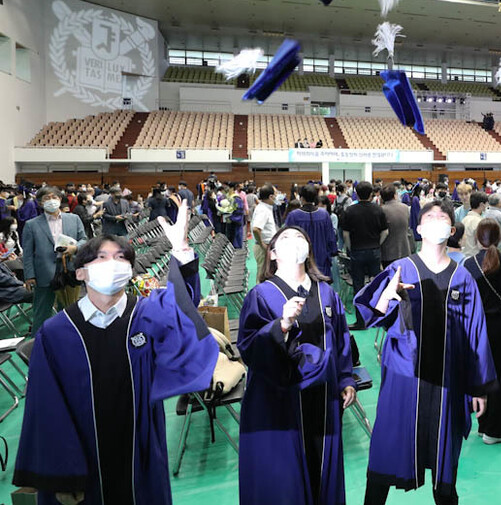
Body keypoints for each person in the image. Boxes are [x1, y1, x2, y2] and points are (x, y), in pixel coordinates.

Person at [13, 200, 218, 505]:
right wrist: (62, 474)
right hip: (81, 460)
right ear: (80, 273)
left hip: (139, 450)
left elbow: (184, 318)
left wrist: (182, 252)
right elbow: (45, 410)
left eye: (121, 257)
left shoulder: (148, 315)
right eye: (101, 257)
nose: (113, 263)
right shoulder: (56, 333)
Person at [354, 201, 495, 505]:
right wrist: (386, 300)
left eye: (443, 218)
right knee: (388, 448)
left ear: (452, 230)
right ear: (418, 228)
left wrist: (479, 387)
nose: (436, 222)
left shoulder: (462, 276)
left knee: (444, 458)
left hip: (448, 379)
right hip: (404, 378)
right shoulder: (399, 269)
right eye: (429, 218)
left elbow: (477, 334)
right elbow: (368, 314)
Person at [237, 225, 356, 505]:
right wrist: (281, 325)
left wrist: (346, 378)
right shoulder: (261, 295)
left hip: (323, 400)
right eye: (286, 238)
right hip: (279, 403)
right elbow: (248, 348)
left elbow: (340, 339)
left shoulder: (327, 292)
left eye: (300, 237)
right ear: (273, 252)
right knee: (285, 484)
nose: (295, 241)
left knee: (322, 472)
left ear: (308, 249)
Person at [463, 218, 501, 445]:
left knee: (482, 374)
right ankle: (497, 430)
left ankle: (482, 424)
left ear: (477, 238)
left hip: (476, 327)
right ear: (499, 238)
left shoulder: (468, 264)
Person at [22, 186, 87, 331]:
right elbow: (27, 253)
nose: (51, 201)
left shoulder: (74, 219)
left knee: (70, 310)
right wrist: (29, 275)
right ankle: (37, 344)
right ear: (39, 203)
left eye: (54, 197)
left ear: (60, 199)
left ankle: (68, 339)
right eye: (46, 198)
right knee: (42, 312)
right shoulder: (31, 225)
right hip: (44, 272)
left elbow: (84, 239)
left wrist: (75, 248)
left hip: (68, 268)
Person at [341, 181, 388, 329]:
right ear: (371, 194)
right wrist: (377, 245)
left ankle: (360, 321)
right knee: (377, 286)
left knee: (358, 287)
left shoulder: (349, 211)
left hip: (357, 252)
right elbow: (385, 232)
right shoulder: (378, 210)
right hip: (374, 251)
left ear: (356, 192)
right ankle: (377, 319)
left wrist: (350, 249)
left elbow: (346, 234)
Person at [285, 184, 338, 281]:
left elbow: (287, 240)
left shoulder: (293, 216)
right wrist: (332, 252)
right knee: (321, 288)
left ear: (301, 198)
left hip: (300, 260)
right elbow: (331, 237)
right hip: (321, 258)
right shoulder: (324, 215)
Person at [379, 185, 412, 268]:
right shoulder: (405, 208)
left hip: (387, 252)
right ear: (395, 195)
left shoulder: (381, 210)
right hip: (405, 249)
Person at [251, 184, 279, 277]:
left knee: (267, 272)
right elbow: (256, 229)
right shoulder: (263, 210)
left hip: (267, 246)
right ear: (270, 197)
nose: (277, 196)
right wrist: (262, 244)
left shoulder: (265, 207)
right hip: (263, 247)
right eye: (275, 194)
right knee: (263, 274)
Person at [460, 191, 488, 258]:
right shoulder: (480, 222)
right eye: (486, 204)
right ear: (482, 205)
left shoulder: (464, 220)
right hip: (475, 258)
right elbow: (481, 245)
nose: (487, 206)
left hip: (463, 257)